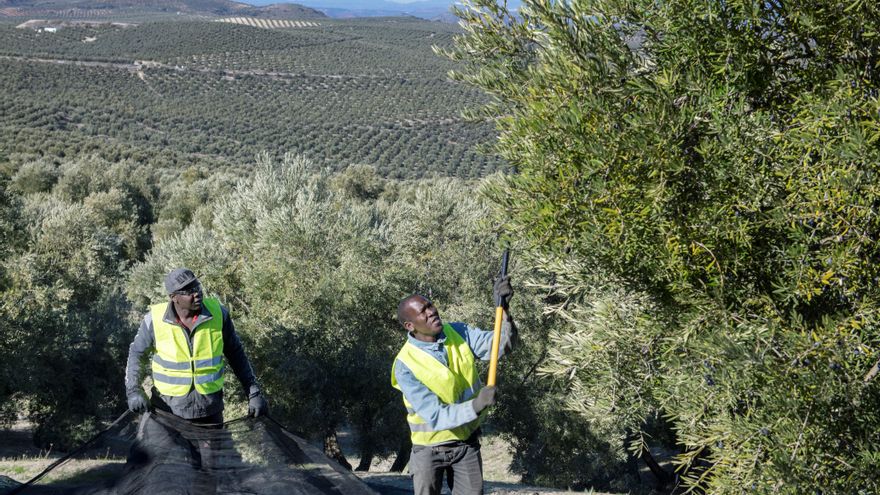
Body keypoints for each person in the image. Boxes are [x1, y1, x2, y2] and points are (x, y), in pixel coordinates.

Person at [125, 268, 269, 461]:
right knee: (152, 464)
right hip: (166, 411)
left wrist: (253, 392)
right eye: (189, 290)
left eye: (197, 286)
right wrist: (133, 390)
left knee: (210, 469)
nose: (197, 293)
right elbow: (137, 354)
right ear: (174, 297)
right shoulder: (154, 319)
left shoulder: (219, 314)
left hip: (208, 410)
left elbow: (236, 354)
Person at [391, 276, 515, 495]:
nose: (432, 311)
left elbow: (502, 345)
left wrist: (503, 309)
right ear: (410, 326)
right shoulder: (405, 365)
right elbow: (436, 415)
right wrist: (476, 405)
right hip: (428, 449)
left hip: (466, 443)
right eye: (423, 311)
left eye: (430, 305)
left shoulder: (458, 332)